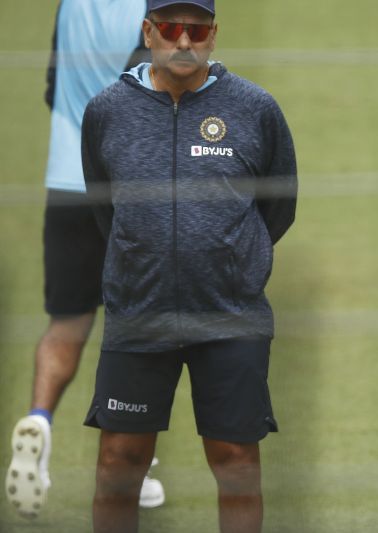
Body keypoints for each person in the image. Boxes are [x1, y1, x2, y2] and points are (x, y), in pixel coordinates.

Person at [80, 0, 297, 530]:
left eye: (196, 30)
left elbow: (279, 205)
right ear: (148, 32)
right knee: (118, 465)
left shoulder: (255, 107)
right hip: (139, 315)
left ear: (214, 35)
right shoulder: (107, 110)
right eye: (172, 28)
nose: (184, 41)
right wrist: (143, 258)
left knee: (237, 466)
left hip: (231, 317)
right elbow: (104, 207)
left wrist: (229, 260)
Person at [4, 0, 164, 519]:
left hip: (66, 182)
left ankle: (39, 417)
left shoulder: (71, 3)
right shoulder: (154, 6)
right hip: (127, 184)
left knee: (66, 322)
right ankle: (135, 468)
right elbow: (158, 89)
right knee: (139, 328)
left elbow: (54, 88)